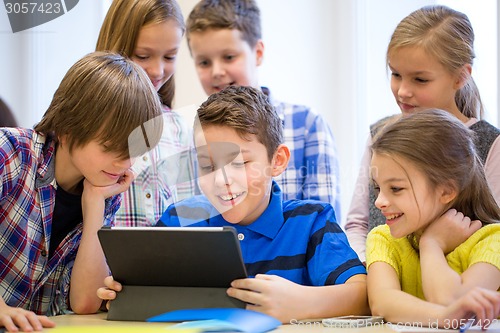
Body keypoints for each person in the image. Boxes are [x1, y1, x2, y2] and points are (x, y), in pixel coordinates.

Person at [97, 86, 369, 323]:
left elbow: (363, 295)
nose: (222, 180)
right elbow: (146, 293)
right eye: (207, 165)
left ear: (277, 161)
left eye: (239, 163)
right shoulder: (178, 219)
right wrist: (125, 292)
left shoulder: (312, 222)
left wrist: (304, 303)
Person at [0, 52, 163, 332]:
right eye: (111, 147)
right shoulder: (11, 152)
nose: (125, 163)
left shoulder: (104, 188)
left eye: (135, 151)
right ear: (65, 129)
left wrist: (95, 205)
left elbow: (85, 303)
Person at [344, 5, 500, 262]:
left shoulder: (490, 143)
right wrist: (369, 269)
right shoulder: (380, 135)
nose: (403, 91)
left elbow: (493, 231)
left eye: (420, 80)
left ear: (460, 76)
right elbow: (357, 224)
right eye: (396, 74)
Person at [184, 0, 341, 217]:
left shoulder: (307, 125)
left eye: (229, 57)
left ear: (257, 53)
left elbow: (323, 221)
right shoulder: (192, 135)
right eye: (204, 62)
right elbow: (195, 215)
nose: (216, 71)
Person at [366, 109, 500, 328]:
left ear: (446, 191)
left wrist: (432, 244)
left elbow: (454, 302)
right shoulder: (383, 238)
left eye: (396, 188)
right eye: (378, 187)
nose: (379, 201)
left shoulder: (493, 240)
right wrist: (443, 317)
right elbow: (382, 302)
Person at [96, 0, 197, 227]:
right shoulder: (89, 125)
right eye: (142, 56)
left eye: (170, 57)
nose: (158, 71)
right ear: (115, 48)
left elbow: (192, 220)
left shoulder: (182, 130)